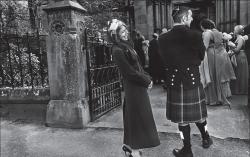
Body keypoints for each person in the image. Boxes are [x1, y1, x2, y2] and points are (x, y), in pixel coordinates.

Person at [158, 7, 213, 157]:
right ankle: (206, 137)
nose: (191, 19)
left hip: (174, 81)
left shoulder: (162, 38)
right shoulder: (196, 35)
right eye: (189, 17)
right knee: (200, 116)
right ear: (183, 19)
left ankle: (187, 149)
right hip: (192, 80)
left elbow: (163, 60)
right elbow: (201, 56)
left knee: (182, 121)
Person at [108, 19, 160, 157]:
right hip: (132, 87)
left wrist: (148, 79)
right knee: (136, 117)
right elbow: (129, 72)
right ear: (115, 35)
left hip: (138, 86)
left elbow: (138, 66)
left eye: (125, 31)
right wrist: (145, 81)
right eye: (122, 32)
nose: (125, 34)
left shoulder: (127, 46)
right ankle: (134, 151)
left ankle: (130, 147)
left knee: (138, 117)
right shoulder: (117, 50)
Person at [200, 19, 236, 105]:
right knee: (216, 75)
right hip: (218, 54)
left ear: (203, 26)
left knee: (211, 75)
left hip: (210, 54)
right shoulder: (218, 32)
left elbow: (205, 46)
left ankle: (213, 99)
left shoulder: (207, 33)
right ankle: (218, 97)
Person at [230, 25, 249, 95]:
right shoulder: (238, 37)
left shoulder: (240, 38)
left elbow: (237, 50)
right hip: (238, 56)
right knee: (237, 72)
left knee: (240, 73)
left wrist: (231, 47)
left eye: (235, 30)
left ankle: (241, 90)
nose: (234, 31)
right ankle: (237, 89)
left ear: (237, 31)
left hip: (241, 56)